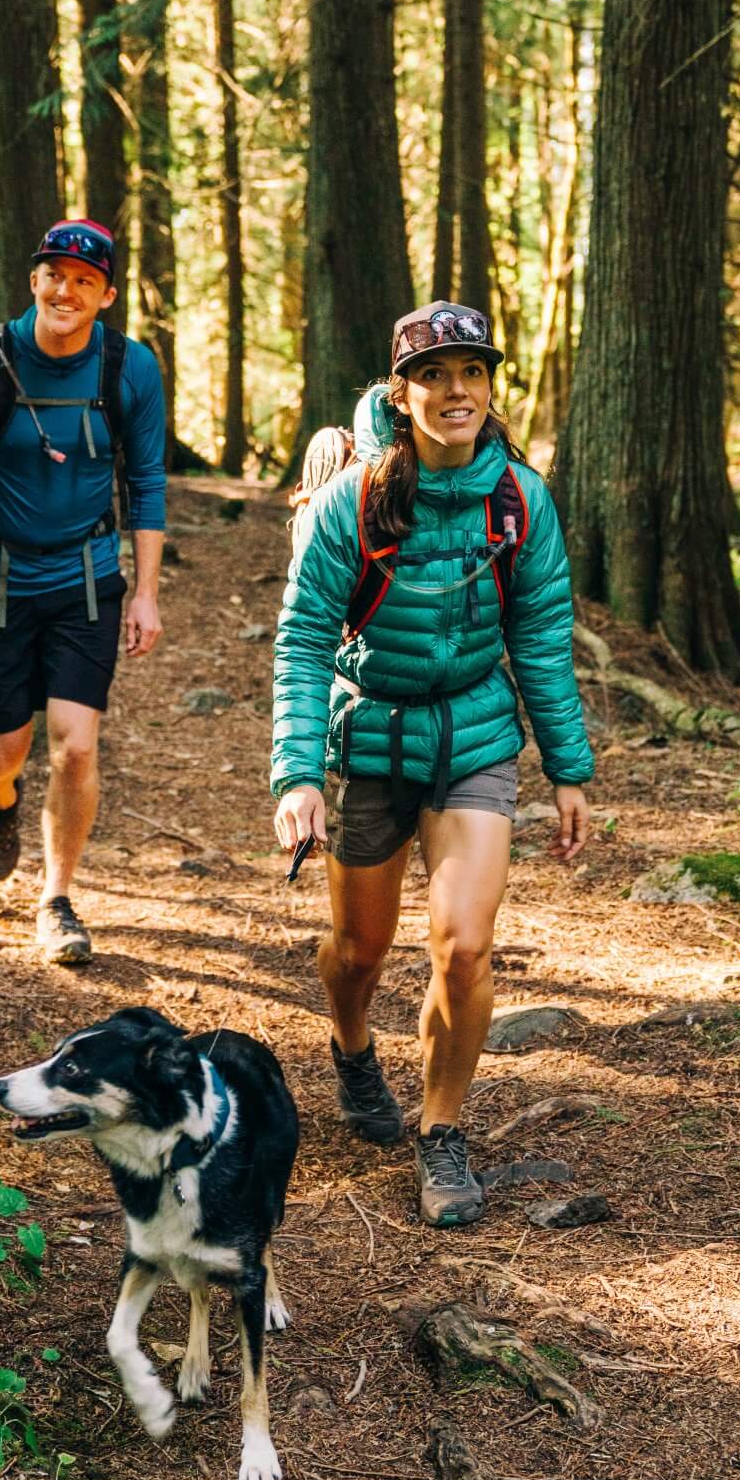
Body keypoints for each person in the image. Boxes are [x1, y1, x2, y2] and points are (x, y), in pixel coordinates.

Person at [270, 302, 593, 1226]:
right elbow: (301, 642)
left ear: (490, 388)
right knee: (358, 952)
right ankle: (351, 1043)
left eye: (473, 373)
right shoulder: (355, 500)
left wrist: (568, 767)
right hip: (372, 740)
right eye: (436, 375)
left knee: (465, 945)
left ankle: (441, 1131)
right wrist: (297, 775)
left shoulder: (522, 503)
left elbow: (541, 635)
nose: (457, 391)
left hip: (477, 742)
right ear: (403, 391)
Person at [0, 219, 167, 966]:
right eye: (55, 274)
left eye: (85, 281)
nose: (67, 290)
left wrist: (146, 592)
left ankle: (56, 898)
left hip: (87, 583)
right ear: (34, 282)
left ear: (106, 295)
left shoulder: (130, 369)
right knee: (3, 751)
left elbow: (146, 480)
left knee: (77, 746)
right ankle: (1, 801)